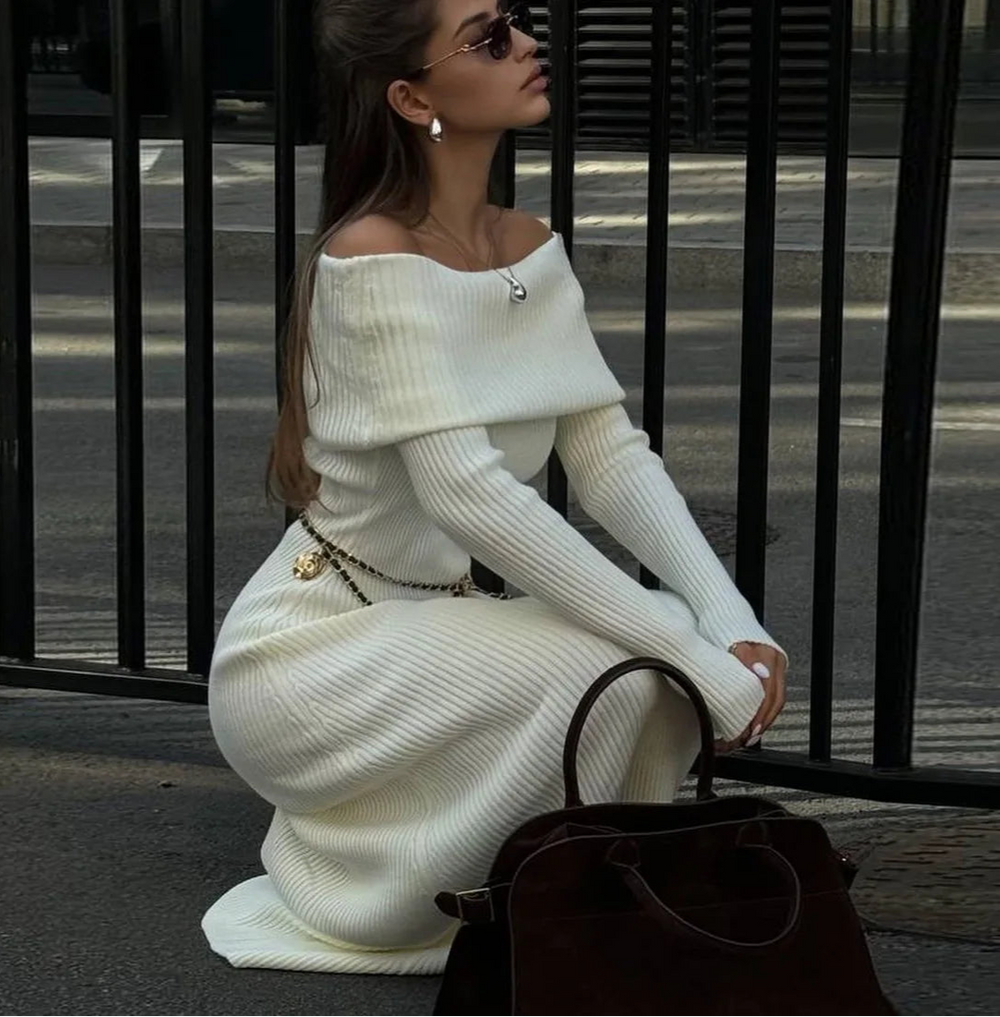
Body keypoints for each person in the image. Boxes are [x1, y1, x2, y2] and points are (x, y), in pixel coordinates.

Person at [201, 0, 789, 977]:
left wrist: (730, 625)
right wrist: (689, 648)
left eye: (516, 22)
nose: (525, 45)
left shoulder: (528, 247)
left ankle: (552, 897)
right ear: (412, 95)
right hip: (314, 654)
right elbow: (468, 496)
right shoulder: (369, 259)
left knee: (654, 669)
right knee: (622, 671)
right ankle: (386, 895)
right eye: (487, 37)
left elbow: (607, 454)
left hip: (442, 625)